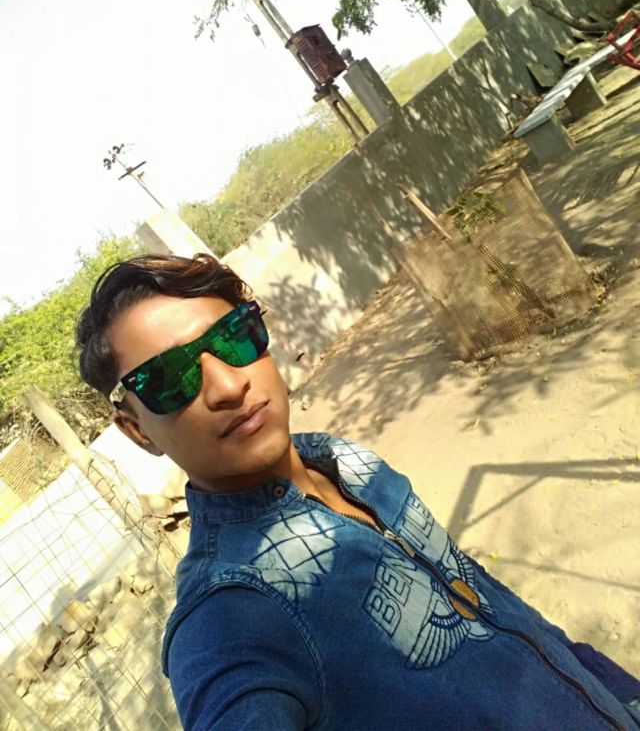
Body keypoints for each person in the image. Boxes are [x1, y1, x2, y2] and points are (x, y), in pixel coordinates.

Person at [76, 253, 640, 730]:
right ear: (136, 430)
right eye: (170, 379)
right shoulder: (230, 615)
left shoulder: (347, 461)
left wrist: (616, 689)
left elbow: (494, 604)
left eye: (234, 338)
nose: (227, 384)